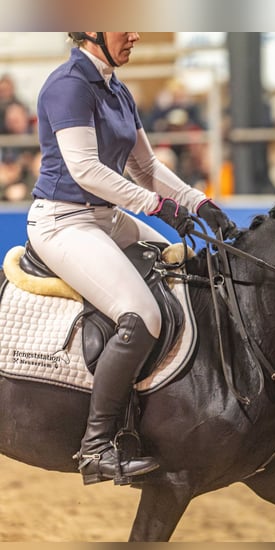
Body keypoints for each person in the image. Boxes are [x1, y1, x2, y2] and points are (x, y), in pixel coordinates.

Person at [27, 32, 239, 485]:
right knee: (141, 315)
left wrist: (199, 203)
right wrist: (157, 207)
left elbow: (145, 166)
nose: (136, 35)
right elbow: (85, 170)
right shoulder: (67, 85)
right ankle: (97, 446)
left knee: (187, 274)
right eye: (125, 25)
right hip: (64, 222)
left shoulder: (116, 87)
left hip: (105, 218)